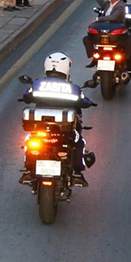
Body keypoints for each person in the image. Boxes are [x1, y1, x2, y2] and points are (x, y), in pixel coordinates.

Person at [20, 52, 97, 187]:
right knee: (79, 142)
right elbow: (85, 102)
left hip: (40, 130)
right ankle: (78, 174)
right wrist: (90, 102)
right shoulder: (73, 88)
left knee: (29, 140)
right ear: (66, 68)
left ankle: (27, 171)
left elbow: (26, 97)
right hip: (65, 132)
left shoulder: (38, 83)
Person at [83, 0, 131, 71]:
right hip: (104, 33)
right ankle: (94, 57)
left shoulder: (120, 6)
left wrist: (98, 19)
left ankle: (125, 59)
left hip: (115, 35)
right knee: (87, 39)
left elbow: (113, 17)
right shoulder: (109, 4)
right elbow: (101, 3)